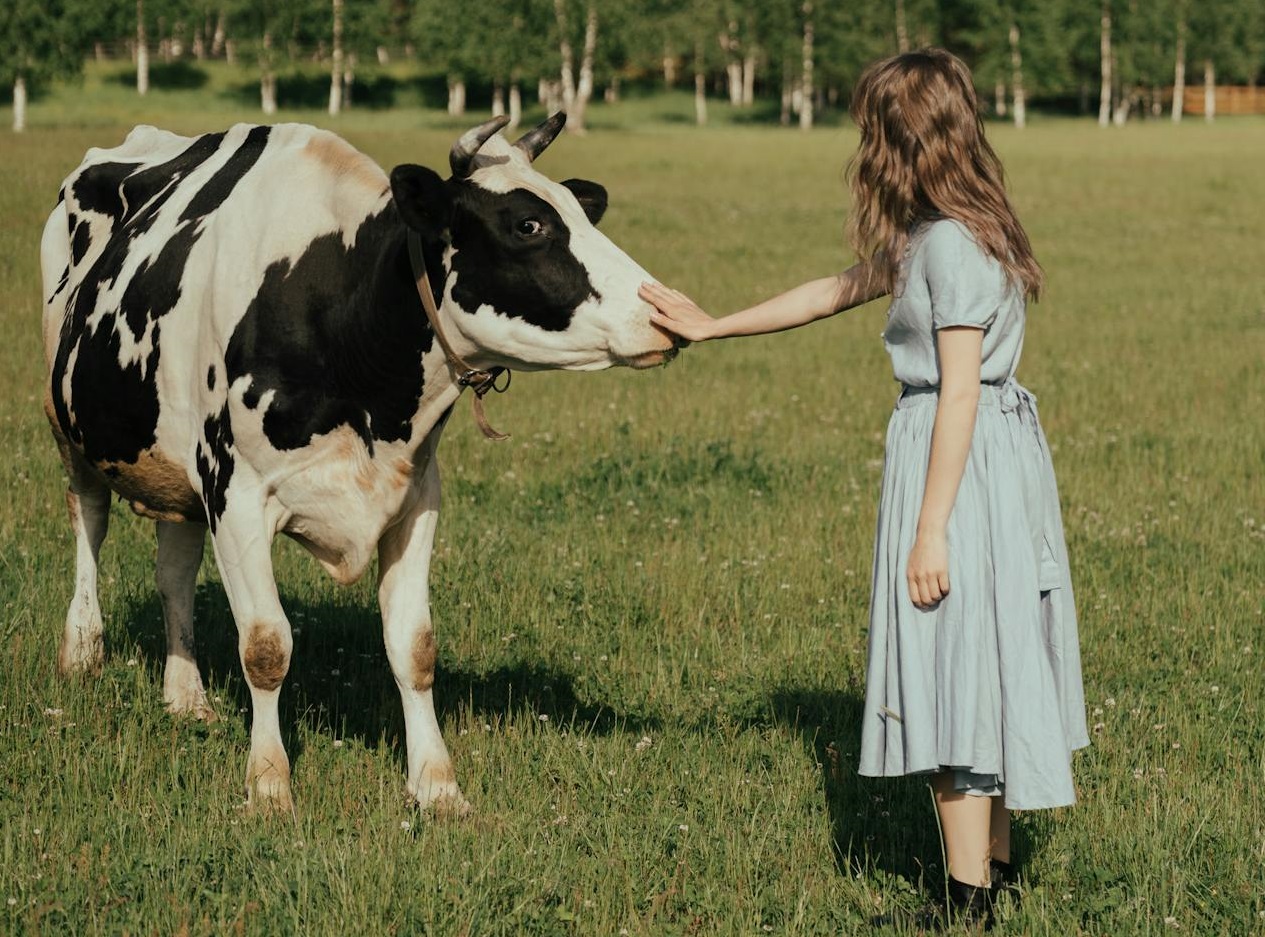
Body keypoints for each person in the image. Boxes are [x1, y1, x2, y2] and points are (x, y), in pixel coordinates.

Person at [638, 48, 1088, 926]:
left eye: (871, 132)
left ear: (902, 140)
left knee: (952, 667)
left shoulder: (950, 245)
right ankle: (991, 881)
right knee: (979, 661)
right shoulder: (949, 229)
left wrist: (930, 530)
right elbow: (833, 290)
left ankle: (964, 905)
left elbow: (957, 388)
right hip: (987, 459)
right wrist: (715, 324)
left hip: (959, 467)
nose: (863, 151)